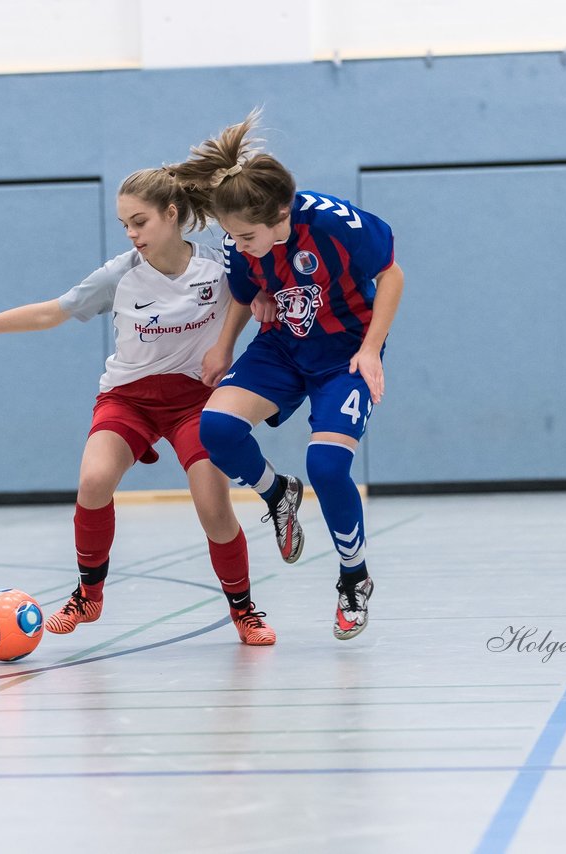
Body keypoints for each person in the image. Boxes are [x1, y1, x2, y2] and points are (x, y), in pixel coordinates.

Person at [0, 168, 277, 646]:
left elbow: (261, 279)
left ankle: (244, 610)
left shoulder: (219, 266)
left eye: (140, 222)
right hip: (129, 397)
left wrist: (264, 297)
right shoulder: (121, 273)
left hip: (194, 402)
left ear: (172, 215)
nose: (132, 234)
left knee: (213, 506)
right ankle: (87, 595)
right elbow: (51, 312)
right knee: (93, 480)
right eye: (125, 225)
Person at [166, 110, 405, 641]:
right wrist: (224, 346)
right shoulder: (242, 238)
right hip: (283, 345)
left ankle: (354, 579)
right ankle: (278, 494)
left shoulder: (335, 224)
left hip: (344, 353)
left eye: (247, 234)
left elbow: (392, 275)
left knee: (327, 464)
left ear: (283, 214)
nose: (239, 243)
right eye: (232, 236)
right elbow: (248, 289)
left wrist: (371, 351)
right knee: (217, 430)